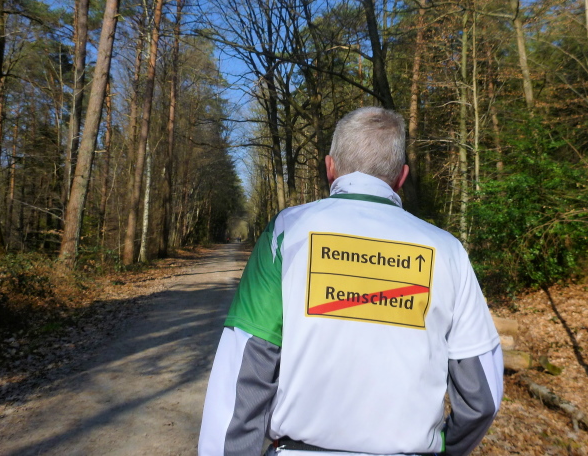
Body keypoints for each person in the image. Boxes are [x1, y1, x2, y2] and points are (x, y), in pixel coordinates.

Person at [198, 107, 503, 456]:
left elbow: (243, 372)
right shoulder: (448, 251)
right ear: (402, 177)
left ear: (330, 168)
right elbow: (482, 398)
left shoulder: (288, 231)